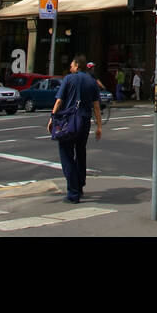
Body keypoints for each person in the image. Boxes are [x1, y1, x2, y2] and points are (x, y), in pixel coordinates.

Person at [48, 55, 103, 203]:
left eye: (72, 65)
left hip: (69, 120)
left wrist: (52, 118)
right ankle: (80, 184)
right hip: (84, 121)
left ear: (77, 65)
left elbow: (59, 101)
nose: (70, 67)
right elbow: (96, 106)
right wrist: (99, 126)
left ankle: (73, 192)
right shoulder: (92, 82)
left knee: (66, 154)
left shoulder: (68, 79)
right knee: (80, 152)